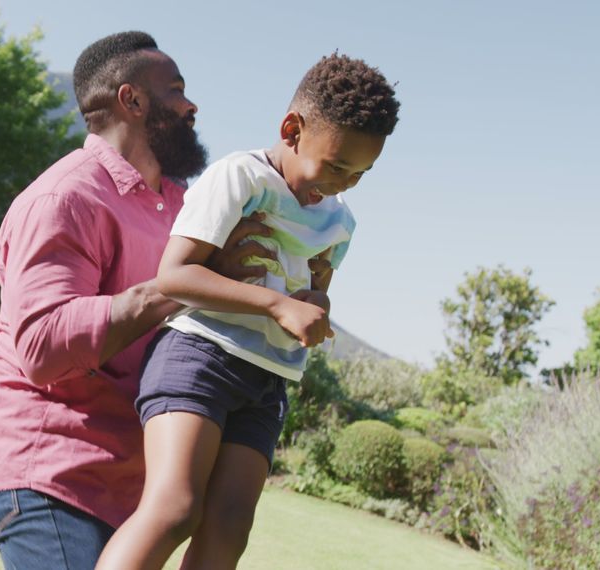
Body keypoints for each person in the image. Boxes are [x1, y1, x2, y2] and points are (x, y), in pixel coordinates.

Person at [0, 31, 274, 569]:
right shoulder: (65, 197)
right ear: (133, 100)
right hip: (45, 471)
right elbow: (42, 344)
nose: (192, 106)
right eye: (178, 91)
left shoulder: (183, 209)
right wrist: (180, 283)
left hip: (122, 487)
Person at [95, 53, 401, 570]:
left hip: (267, 379)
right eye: (336, 166)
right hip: (199, 356)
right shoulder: (240, 177)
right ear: (292, 129)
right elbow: (176, 275)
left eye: (360, 174)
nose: (345, 183)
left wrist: (315, 307)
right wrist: (278, 304)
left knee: (230, 527)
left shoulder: (340, 220)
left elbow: (317, 287)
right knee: (176, 510)